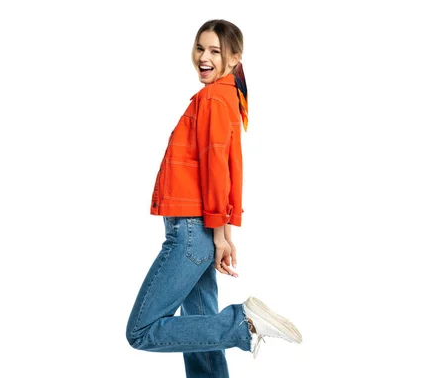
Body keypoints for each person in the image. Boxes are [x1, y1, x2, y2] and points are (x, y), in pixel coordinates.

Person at [125, 19, 302, 377]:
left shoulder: (213, 99)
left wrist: (219, 236)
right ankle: (236, 328)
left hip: (191, 231)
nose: (204, 57)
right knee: (200, 329)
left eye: (215, 51)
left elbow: (216, 172)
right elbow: (221, 170)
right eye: (200, 48)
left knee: (141, 331)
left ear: (235, 58)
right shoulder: (222, 98)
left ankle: (243, 324)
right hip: (201, 230)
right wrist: (222, 236)